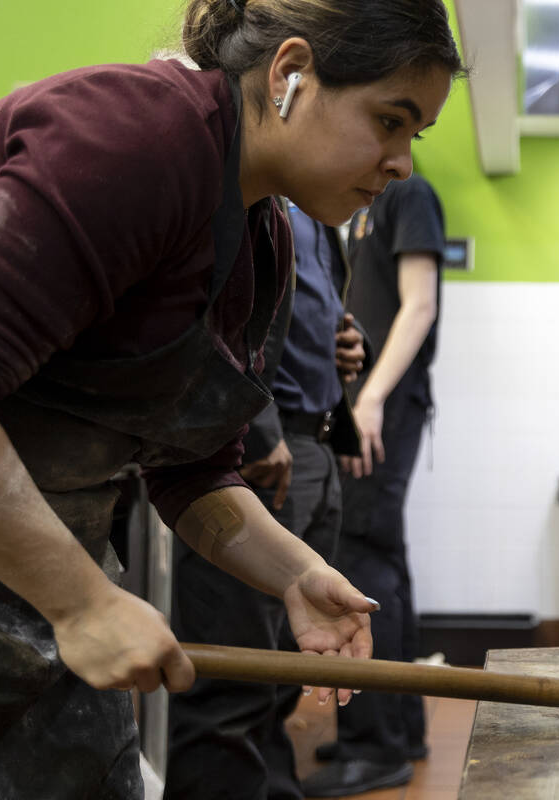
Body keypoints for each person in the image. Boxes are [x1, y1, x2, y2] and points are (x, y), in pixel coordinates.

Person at [0, 0, 463, 797]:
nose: (402, 164)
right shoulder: (136, 138)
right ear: (290, 75)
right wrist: (81, 602)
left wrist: (293, 572)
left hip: (32, 590)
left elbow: (194, 472)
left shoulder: (262, 238)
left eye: (414, 136)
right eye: (390, 120)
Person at [165, 202, 369, 800]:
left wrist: (351, 341)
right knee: (235, 680)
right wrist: (259, 428)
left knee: (284, 671)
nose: (398, 163)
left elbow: (300, 318)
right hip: (258, 453)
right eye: (388, 121)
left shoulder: (320, 213)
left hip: (315, 444)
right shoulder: (246, 193)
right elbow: (203, 323)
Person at [301, 175, 445, 797]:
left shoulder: (410, 196)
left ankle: (375, 744)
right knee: (384, 560)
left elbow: (420, 304)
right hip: (364, 402)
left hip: (380, 406)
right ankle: (401, 728)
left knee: (361, 555)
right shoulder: (359, 208)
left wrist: (372, 398)